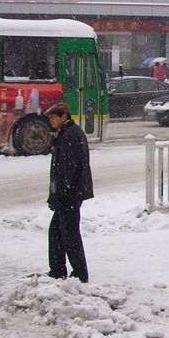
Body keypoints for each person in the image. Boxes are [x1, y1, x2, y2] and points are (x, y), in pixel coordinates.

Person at [45, 102, 94, 282]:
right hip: (67, 195)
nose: (50, 120)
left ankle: (79, 274)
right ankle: (58, 270)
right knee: (58, 233)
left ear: (64, 116)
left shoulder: (70, 136)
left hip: (69, 195)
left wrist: (59, 195)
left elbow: (66, 170)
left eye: (53, 117)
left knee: (69, 235)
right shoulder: (65, 134)